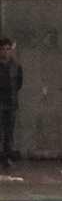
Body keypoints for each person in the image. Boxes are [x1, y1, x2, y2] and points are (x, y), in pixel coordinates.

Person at [0, 38, 23, 168]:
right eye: (3, 49)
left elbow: (19, 83)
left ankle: (7, 157)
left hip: (11, 103)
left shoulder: (16, 66)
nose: (5, 52)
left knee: (9, 132)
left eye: (8, 49)